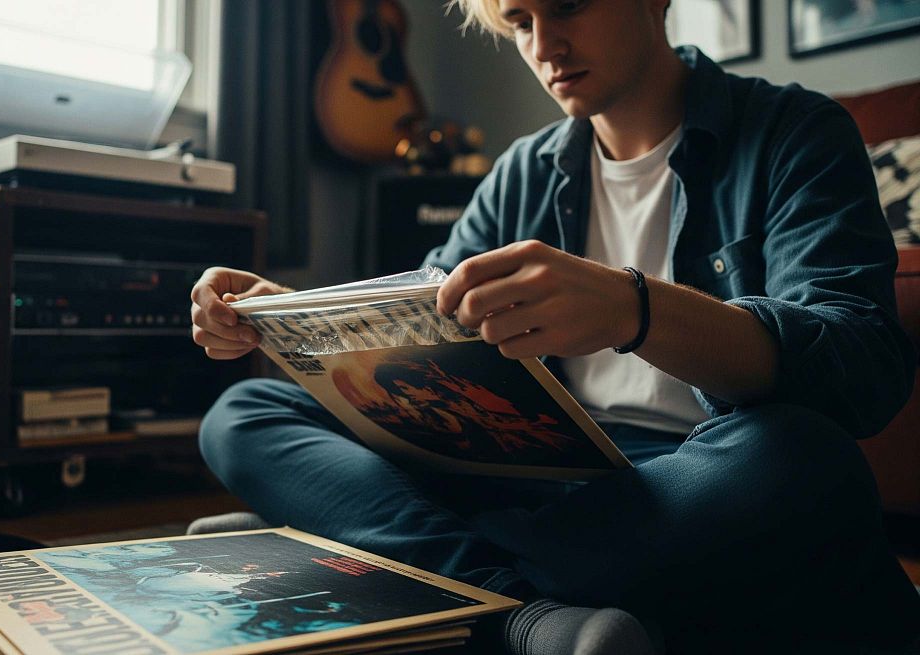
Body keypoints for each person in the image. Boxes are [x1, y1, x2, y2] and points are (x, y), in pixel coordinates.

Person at [188, 0, 920, 651]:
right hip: (542, 478)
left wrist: (633, 309)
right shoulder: (523, 171)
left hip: (693, 481)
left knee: (802, 456)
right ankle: (521, 614)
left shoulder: (795, 132)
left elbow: (860, 367)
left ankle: (361, 548)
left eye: (566, 8)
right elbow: (422, 326)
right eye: (520, 22)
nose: (544, 47)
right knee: (244, 411)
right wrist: (290, 315)